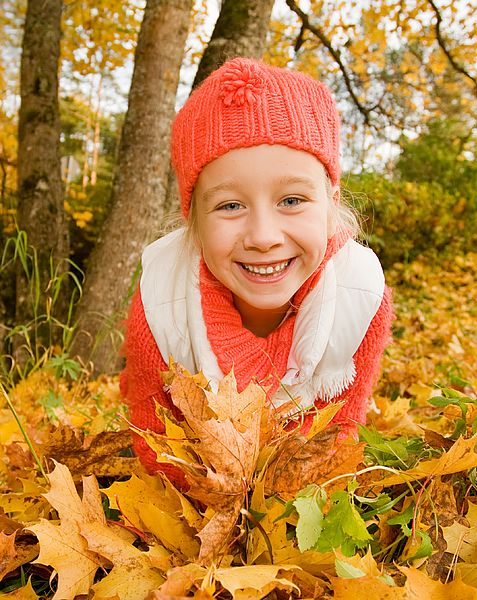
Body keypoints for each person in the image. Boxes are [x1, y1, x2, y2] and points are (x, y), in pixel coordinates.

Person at [119, 57, 394, 488]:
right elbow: (155, 441)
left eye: (292, 201)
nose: (264, 236)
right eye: (230, 206)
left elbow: (341, 430)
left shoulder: (358, 297)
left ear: (330, 203)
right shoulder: (162, 303)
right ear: (193, 219)